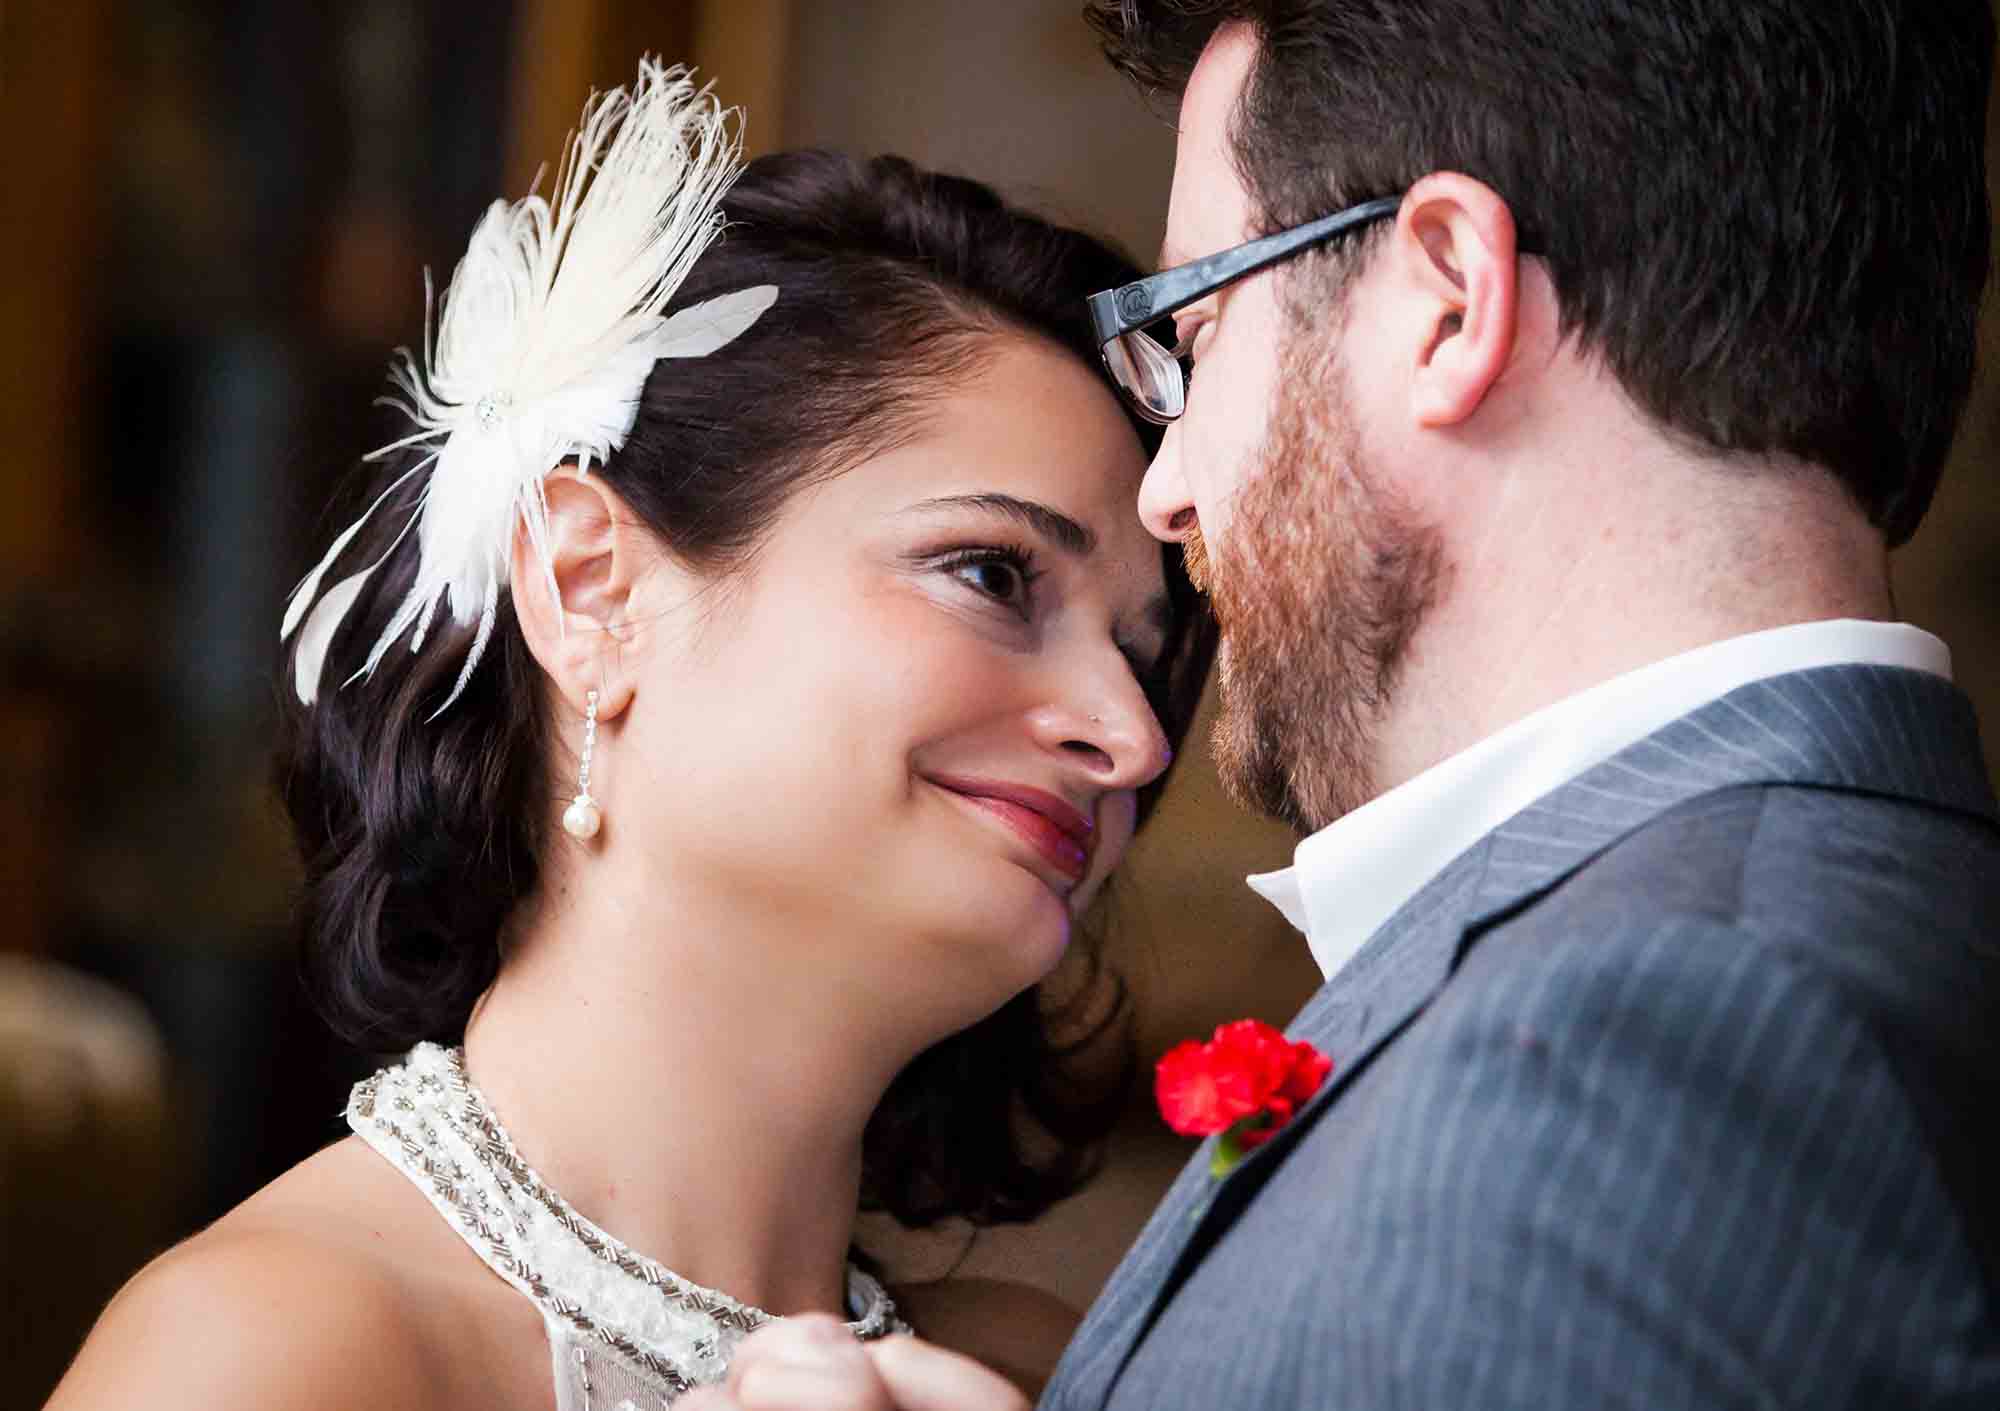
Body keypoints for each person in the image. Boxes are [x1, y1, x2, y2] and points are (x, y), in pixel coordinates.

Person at [683, 2, 2000, 1408]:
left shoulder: (1640, 1048)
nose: (1166, 483)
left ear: (1446, 298)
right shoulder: (1825, 936)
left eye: (1193, 327)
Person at [47, 63, 1216, 1411]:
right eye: (996, 575)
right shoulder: (272, 1350)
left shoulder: (1035, 1363)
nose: (1131, 737)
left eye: (1145, 654)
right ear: (592, 588)